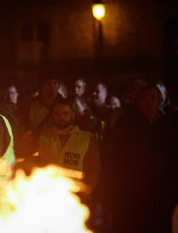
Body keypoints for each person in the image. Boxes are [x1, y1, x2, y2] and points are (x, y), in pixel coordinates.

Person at [101, 84, 165, 233]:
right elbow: (111, 155)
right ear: (138, 101)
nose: (149, 102)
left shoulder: (167, 126)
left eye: (153, 98)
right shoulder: (125, 125)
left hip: (160, 193)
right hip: (130, 193)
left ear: (160, 101)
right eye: (145, 98)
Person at [38, 97, 101, 194]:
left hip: (75, 195)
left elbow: (93, 170)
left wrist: (86, 191)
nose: (61, 117)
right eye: (57, 114)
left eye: (65, 113)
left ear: (72, 114)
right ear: (52, 114)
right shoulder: (43, 137)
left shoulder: (86, 139)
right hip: (47, 193)